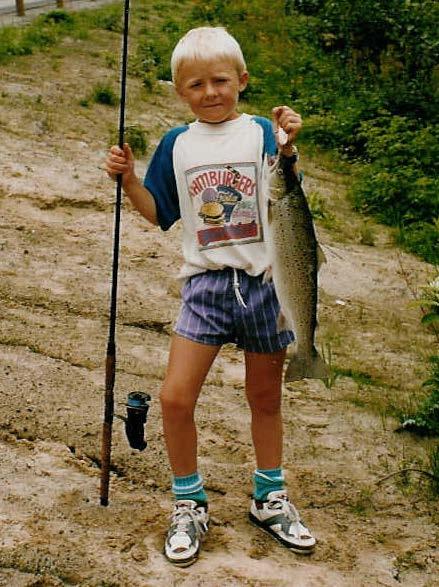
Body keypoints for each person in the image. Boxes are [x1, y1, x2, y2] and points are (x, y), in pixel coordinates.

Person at [105, 26, 316, 567]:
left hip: (266, 286)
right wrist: (129, 180)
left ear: (241, 81)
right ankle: (188, 501)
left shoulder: (260, 135)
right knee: (175, 399)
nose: (211, 92)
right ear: (181, 91)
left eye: (221, 80)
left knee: (265, 399)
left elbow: (288, 181)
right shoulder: (178, 144)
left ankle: (270, 496)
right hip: (204, 286)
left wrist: (288, 141)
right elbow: (160, 212)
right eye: (196, 84)